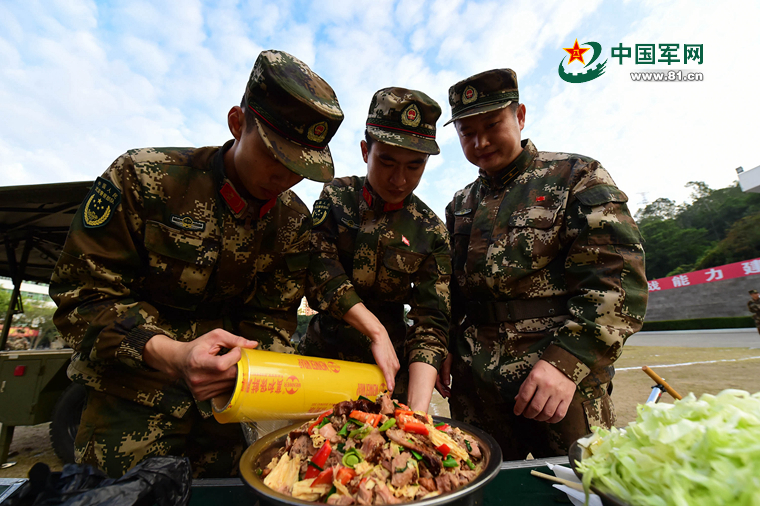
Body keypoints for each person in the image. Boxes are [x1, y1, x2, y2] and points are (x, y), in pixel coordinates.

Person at [49, 50, 344, 478]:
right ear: (237, 123)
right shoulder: (144, 178)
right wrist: (171, 354)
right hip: (131, 401)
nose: (284, 176)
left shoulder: (293, 220)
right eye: (273, 154)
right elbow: (82, 298)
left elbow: (272, 317)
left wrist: (248, 373)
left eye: (300, 166)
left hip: (225, 410)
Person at [436, 68, 648, 459]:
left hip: (559, 385)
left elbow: (617, 283)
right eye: (466, 132)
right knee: (487, 494)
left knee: (582, 490)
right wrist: (444, 343)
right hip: (477, 390)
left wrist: (567, 363)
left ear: (519, 117)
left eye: (492, 124)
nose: (480, 141)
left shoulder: (575, 176)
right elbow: (448, 287)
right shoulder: (460, 205)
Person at [301, 87, 451, 412]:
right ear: (365, 151)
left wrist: (417, 411)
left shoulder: (431, 230)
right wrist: (375, 330)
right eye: (387, 161)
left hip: (389, 376)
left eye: (414, 166)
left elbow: (431, 321)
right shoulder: (337, 196)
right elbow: (317, 269)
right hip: (322, 364)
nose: (399, 179)